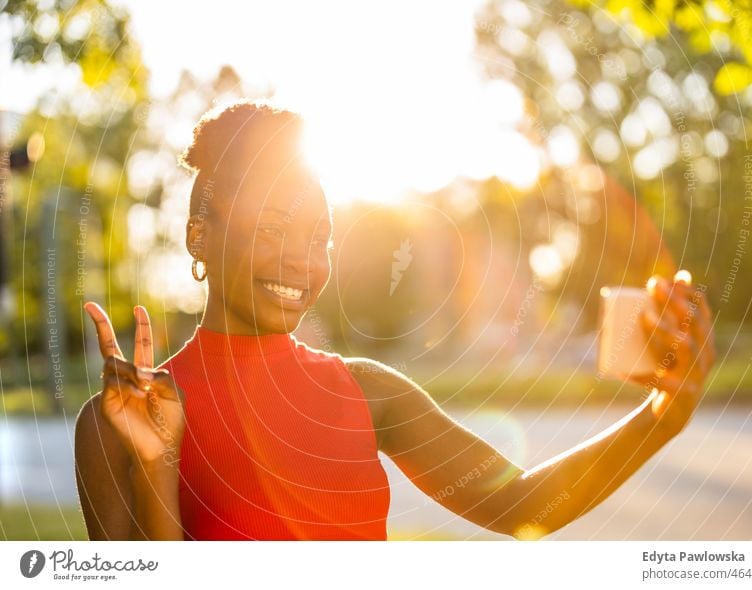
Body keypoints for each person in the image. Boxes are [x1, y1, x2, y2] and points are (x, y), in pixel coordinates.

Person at [74, 99, 716, 541]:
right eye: (272, 229)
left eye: (319, 235)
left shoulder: (367, 391)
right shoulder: (121, 420)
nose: (301, 261)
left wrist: (665, 417)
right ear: (198, 237)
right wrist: (160, 465)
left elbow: (523, 504)